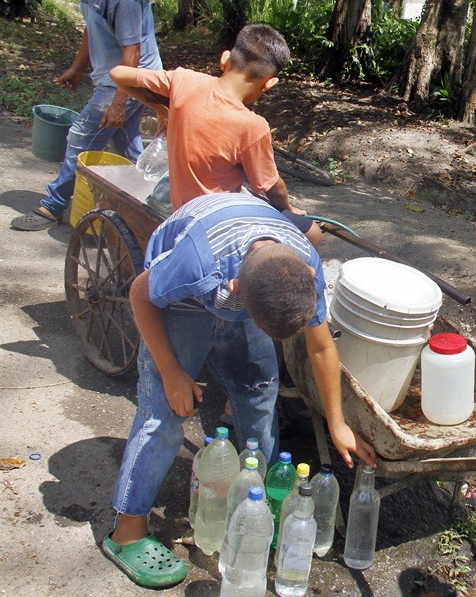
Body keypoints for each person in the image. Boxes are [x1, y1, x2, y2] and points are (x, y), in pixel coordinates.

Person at [101, 193, 376, 589]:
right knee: (164, 415)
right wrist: (171, 371)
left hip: (249, 279)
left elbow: (320, 346)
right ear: (235, 294)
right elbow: (139, 295)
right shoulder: (195, 264)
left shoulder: (300, 264)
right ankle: (125, 532)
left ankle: (252, 507)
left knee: (260, 393)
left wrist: (338, 423)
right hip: (181, 299)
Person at [108, 23, 323, 249]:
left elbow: (118, 74)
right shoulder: (252, 126)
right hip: (219, 217)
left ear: (225, 59)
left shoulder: (185, 80)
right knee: (313, 233)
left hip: (181, 206)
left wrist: (158, 107)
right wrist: (288, 206)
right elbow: (270, 187)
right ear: (269, 83)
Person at [10, 0, 160, 231]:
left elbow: (131, 51)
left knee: (82, 138)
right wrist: (78, 68)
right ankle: (154, 204)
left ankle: (52, 206)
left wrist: (119, 102)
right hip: (116, 78)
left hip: (130, 79)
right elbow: (92, 30)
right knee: (129, 145)